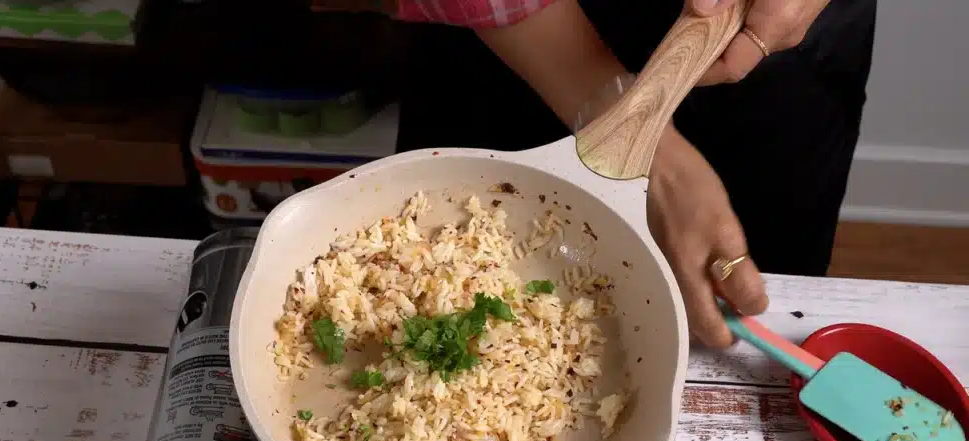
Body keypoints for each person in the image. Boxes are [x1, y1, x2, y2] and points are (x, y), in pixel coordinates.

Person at [308, 0, 876, 348]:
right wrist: (651, 154)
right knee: (456, 266)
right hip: (517, 39)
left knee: (766, 300)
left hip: (780, 45)